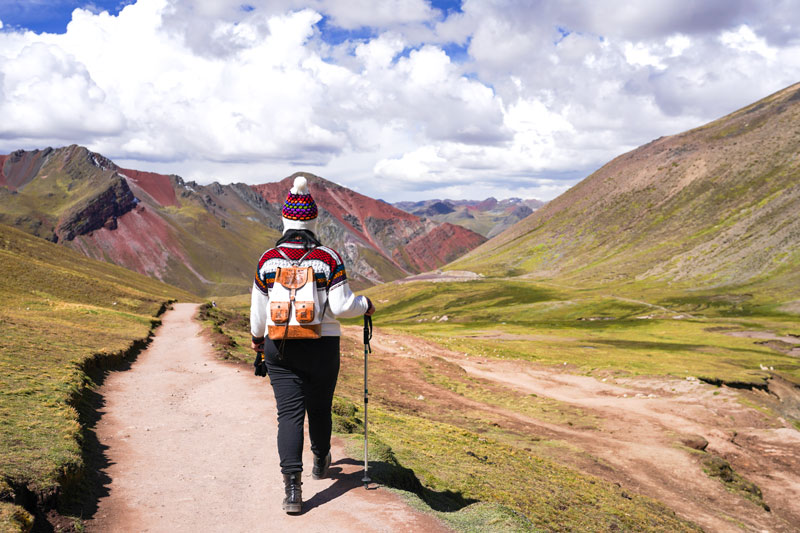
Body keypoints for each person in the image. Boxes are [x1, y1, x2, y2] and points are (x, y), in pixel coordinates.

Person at [249, 175, 375, 514]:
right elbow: (341, 307)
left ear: (286, 220)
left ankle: (293, 489)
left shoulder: (268, 260)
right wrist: (365, 304)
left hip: (280, 346)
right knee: (319, 407)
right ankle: (320, 460)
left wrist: (259, 343)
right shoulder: (328, 258)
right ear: (313, 220)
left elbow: (259, 312)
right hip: (322, 346)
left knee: (288, 415)